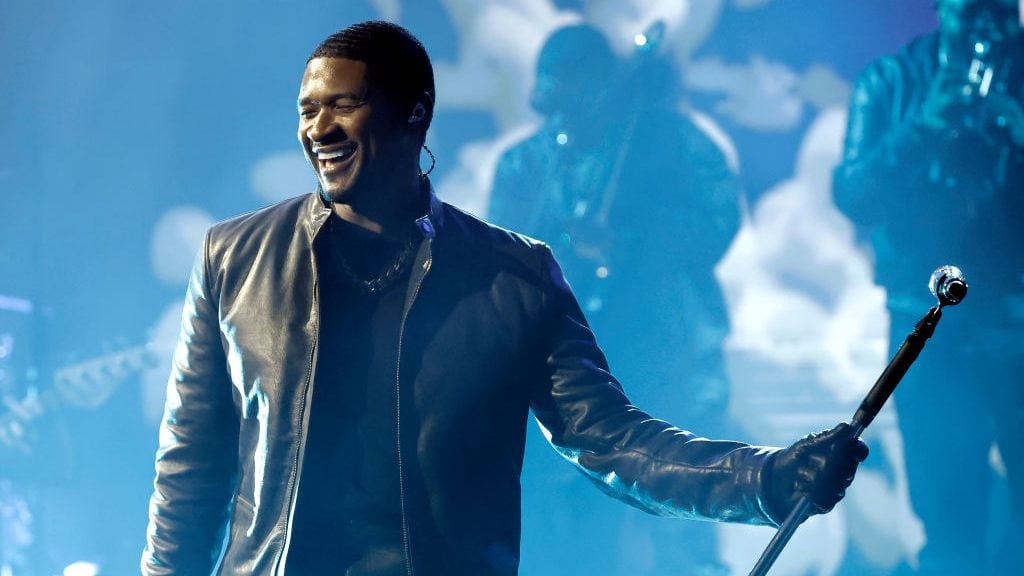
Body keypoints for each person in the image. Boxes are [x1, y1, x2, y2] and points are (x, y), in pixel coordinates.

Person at [142, 20, 867, 576]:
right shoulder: (235, 258)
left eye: (345, 105)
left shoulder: (513, 277)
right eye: (307, 109)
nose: (318, 129)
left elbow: (612, 441)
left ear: (413, 115)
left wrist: (766, 479)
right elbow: (191, 468)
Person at [488, 24, 742, 575]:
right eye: (555, 103)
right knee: (577, 527)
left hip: (665, 354)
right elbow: (495, 260)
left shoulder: (670, 142)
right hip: (567, 371)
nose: (568, 118)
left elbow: (718, 223)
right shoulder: (526, 164)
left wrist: (634, 240)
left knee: (684, 517)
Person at [834, 1, 1024, 573]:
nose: (986, 23)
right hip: (930, 324)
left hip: (1019, 318)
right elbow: (852, 193)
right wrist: (926, 125)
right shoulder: (890, 80)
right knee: (946, 510)